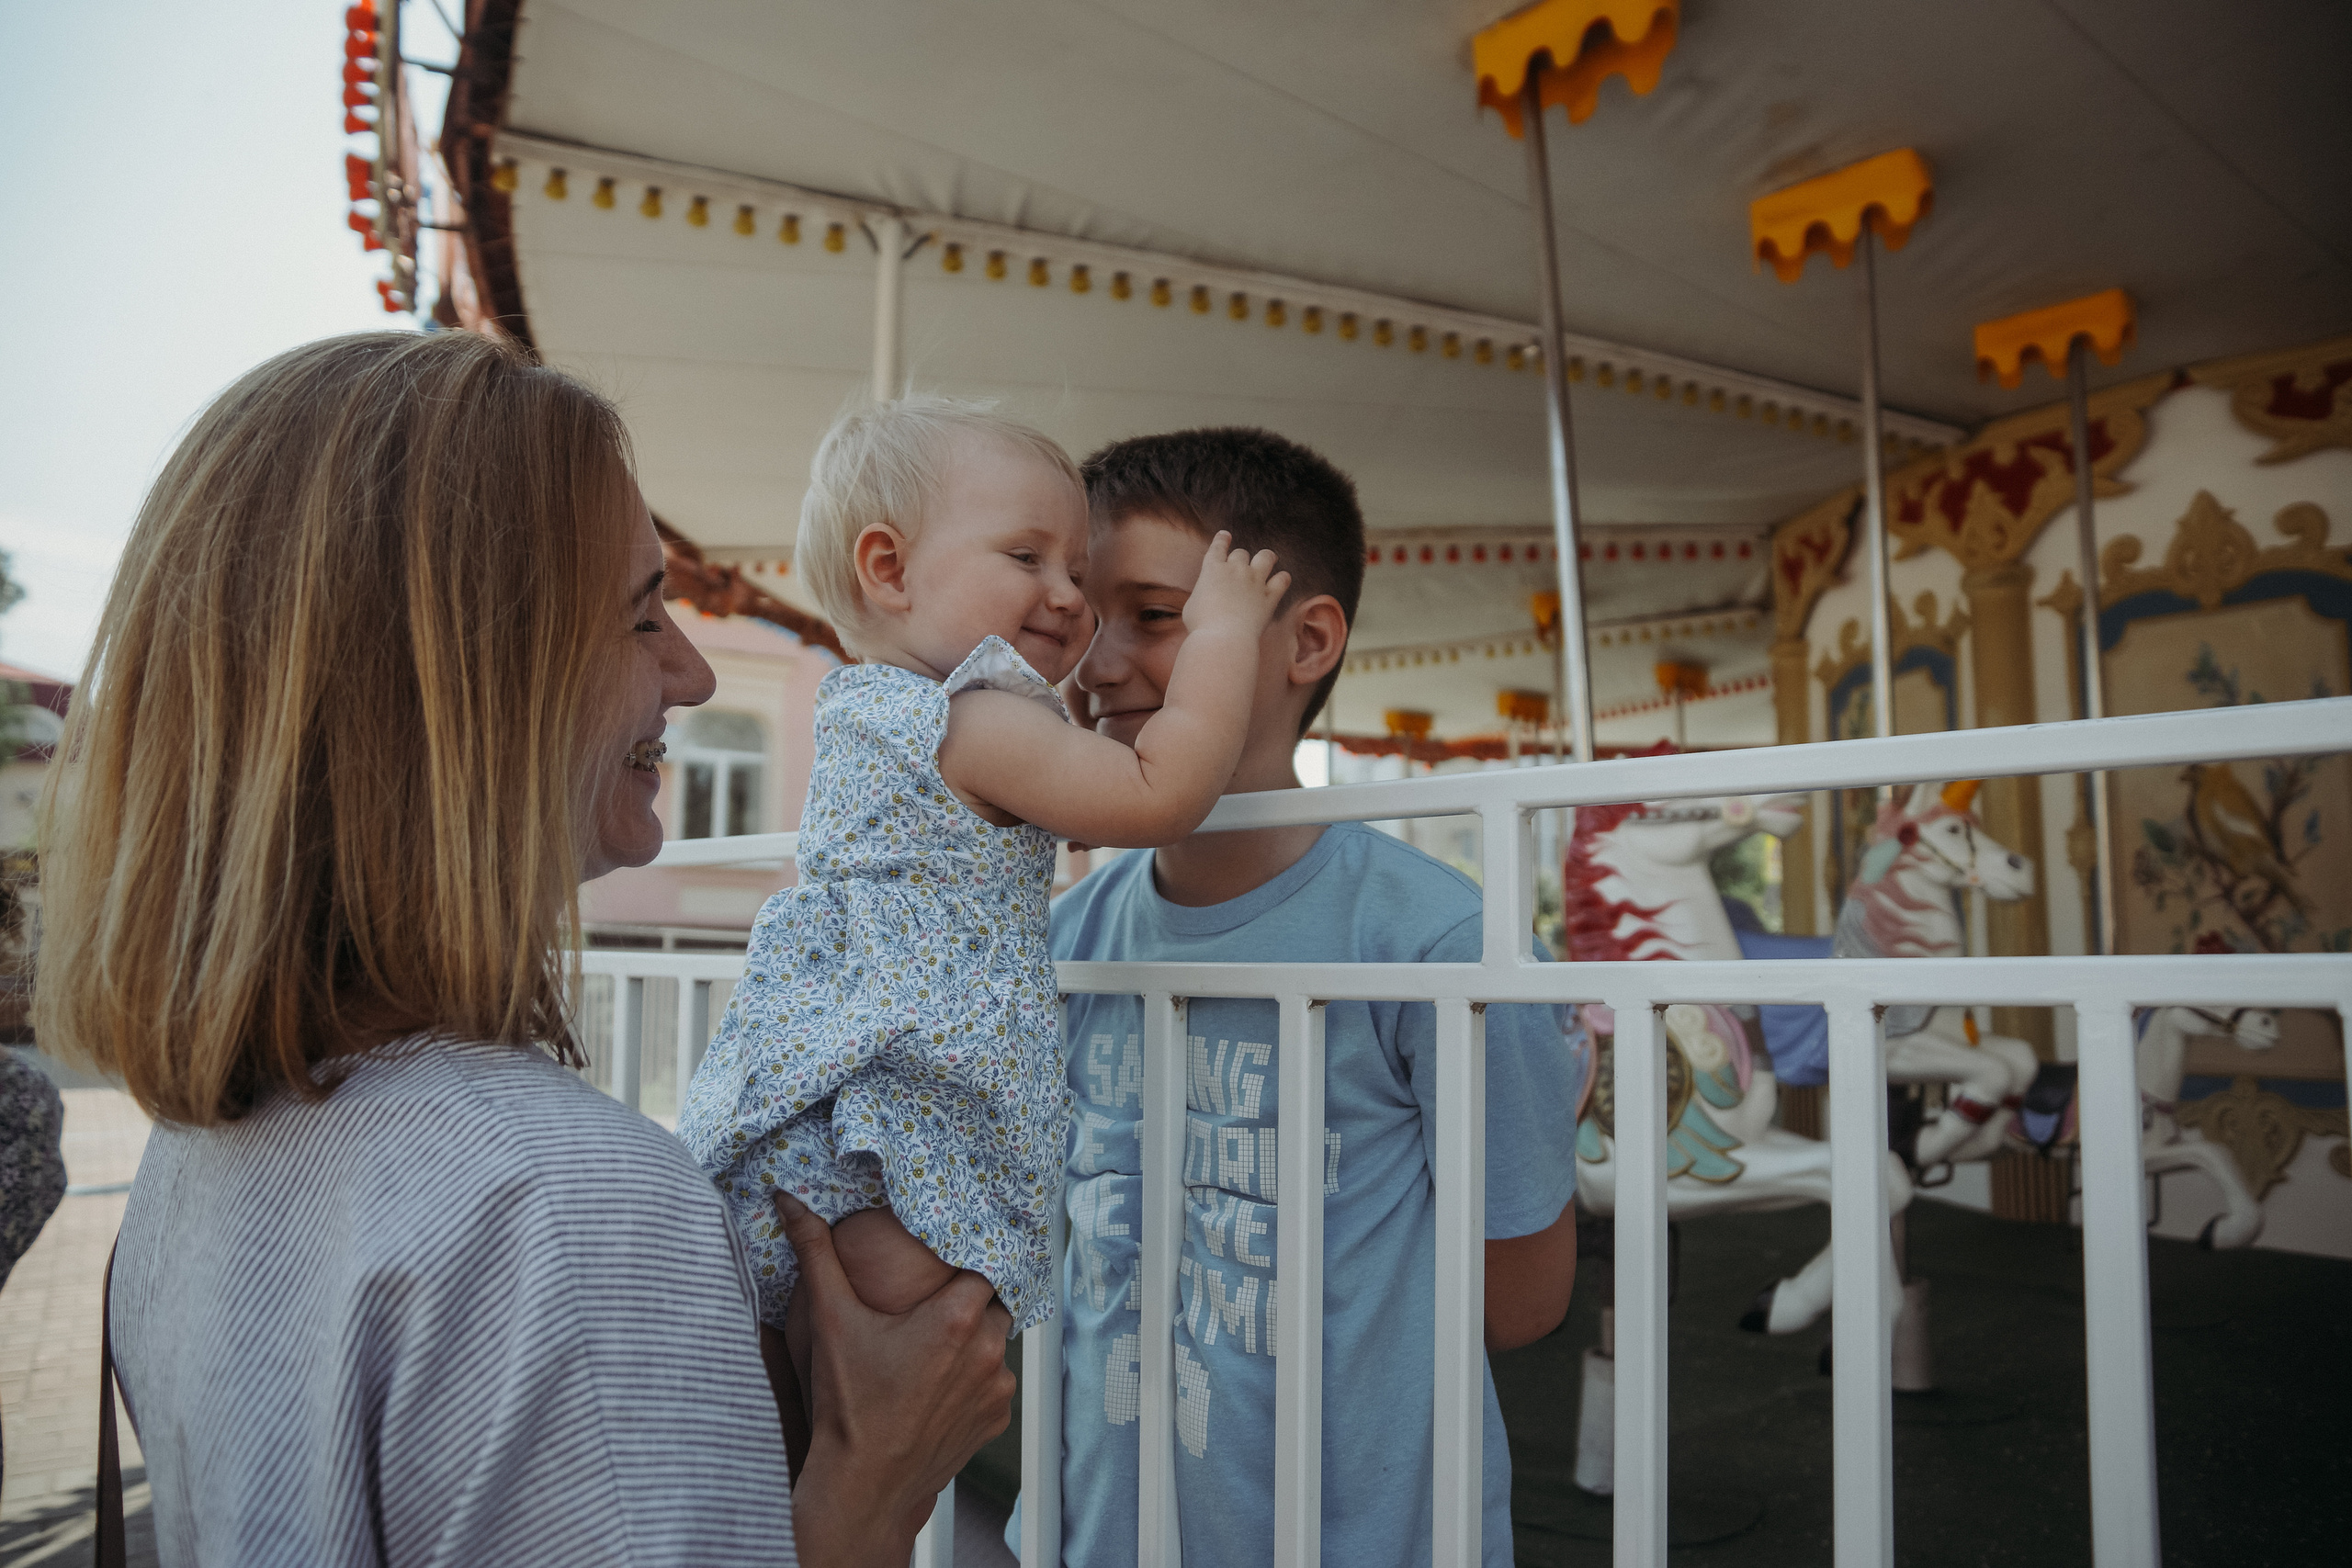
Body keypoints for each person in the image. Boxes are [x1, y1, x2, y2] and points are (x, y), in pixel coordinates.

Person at [35, 332, 1012, 1567]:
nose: (696, 668)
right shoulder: (558, 1203)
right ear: (463, 677)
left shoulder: (204, 1135)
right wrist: (875, 1487)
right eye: (641, 613)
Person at [678, 396, 1290, 1471]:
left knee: (772, 1420)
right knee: (895, 1350)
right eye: (1028, 555)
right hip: (896, 1114)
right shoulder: (974, 717)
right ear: (890, 567)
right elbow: (1159, 790)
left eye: (1078, 570)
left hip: (823, 1105)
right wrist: (1225, 632)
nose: (1068, 596)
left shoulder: (867, 705)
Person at [1016, 428, 1587, 1566]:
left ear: (1305, 642)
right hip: (1101, 1529)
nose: (1100, 663)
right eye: (1087, 616)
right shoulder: (1065, 935)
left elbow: (1518, 1301)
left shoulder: (1433, 941)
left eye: (1158, 616)